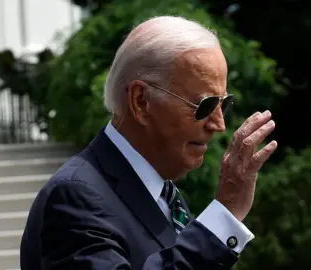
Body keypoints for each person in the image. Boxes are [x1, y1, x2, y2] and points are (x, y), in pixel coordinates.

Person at [19, 15, 277, 270]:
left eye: (224, 103)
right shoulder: (78, 197)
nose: (218, 125)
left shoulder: (163, 192)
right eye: (205, 105)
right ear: (141, 101)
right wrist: (225, 214)